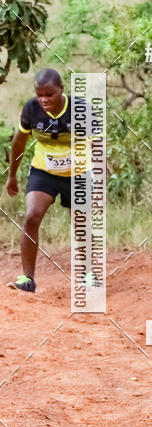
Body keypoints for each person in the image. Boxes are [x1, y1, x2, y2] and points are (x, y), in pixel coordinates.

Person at [6, 69, 81, 292]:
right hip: (44, 171)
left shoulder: (79, 109)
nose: (44, 100)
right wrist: (12, 175)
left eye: (49, 94)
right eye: (40, 94)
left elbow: (96, 146)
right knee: (31, 216)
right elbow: (19, 143)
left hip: (76, 173)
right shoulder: (31, 109)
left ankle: (87, 275)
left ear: (61, 90)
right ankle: (27, 279)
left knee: (81, 224)